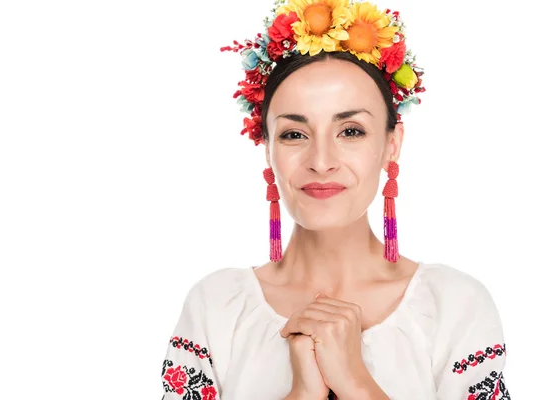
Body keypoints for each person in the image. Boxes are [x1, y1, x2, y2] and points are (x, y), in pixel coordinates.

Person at [160, 0, 510, 399]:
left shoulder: (454, 306)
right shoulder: (216, 307)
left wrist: (354, 380)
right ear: (267, 149)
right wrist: (303, 392)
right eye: (294, 134)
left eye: (351, 131)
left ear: (391, 145)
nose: (321, 162)